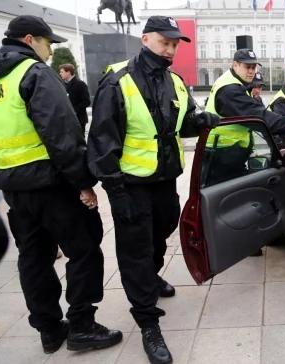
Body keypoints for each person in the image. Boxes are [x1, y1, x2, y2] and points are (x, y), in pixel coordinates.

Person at [87, 16, 217, 364]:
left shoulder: (175, 81)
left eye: (175, 44)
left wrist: (200, 120)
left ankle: (149, 277)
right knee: (135, 251)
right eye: (165, 42)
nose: (171, 49)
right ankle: (147, 323)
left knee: (160, 235)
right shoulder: (118, 81)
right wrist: (115, 194)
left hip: (164, 182)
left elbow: (182, 124)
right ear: (145, 39)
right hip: (130, 185)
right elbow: (101, 142)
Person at [0, 15, 122, 354]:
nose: (50, 52)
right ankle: (82, 325)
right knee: (83, 249)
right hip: (52, 185)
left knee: (33, 257)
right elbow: (63, 135)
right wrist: (83, 183)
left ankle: (50, 330)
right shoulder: (34, 73)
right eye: (48, 43)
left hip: (14, 188)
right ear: (30, 39)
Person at [203, 49, 285, 184]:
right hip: (221, 155)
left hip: (228, 153)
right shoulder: (230, 89)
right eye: (247, 67)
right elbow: (256, 114)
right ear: (235, 65)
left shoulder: (234, 82)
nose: (251, 71)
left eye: (253, 67)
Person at [59, 63, 91, 134]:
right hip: (66, 120)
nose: (60, 74)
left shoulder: (80, 84)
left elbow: (87, 101)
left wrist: (73, 110)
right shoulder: (62, 85)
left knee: (79, 142)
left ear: (68, 72)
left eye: (62, 72)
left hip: (79, 119)